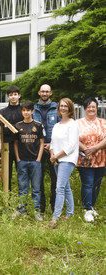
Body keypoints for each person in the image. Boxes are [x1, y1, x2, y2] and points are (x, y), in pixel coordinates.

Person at [49, 98, 79, 228]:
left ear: (70, 108)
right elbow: (52, 143)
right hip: (57, 159)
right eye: (61, 106)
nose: (63, 108)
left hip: (67, 159)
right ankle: (70, 214)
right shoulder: (57, 125)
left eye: (65, 106)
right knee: (66, 187)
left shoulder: (73, 125)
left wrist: (56, 156)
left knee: (59, 188)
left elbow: (71, 146)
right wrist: (52, 156)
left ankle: (55, 218)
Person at [13, 101, 45, 221]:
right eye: (24, 110)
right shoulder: (18, 126)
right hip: (22, 161)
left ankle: (37, 212)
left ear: (32, 111)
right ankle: (22, 210)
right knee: (23, 188)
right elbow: (15, 143)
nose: (26, 112)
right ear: (22, 111)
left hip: (35, 162)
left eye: (28, 110)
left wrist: (38, 159)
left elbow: (42, 142)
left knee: (36, 188)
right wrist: (17, 158)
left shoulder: (38, 125)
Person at [76, 97, 106, 222]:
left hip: (101, 159)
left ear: (97, 108)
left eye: (93, 106)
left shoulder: (103, 122)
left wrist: (94, 148)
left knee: (96, 184)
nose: (91, 109)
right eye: (89, 107)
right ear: (85, 108)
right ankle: (87, 209)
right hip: (84, 159)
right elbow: (74, 139)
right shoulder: (77, 123)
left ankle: (91, 206)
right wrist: (85, 150)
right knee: (87, 184)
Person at [33, 84, 60, 213]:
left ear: (50, 93)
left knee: (55, 178)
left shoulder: (57, 108)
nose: (44, 94)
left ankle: (54, 206)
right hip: (38, 148)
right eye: (42, 91)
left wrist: (51, 144)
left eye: (47, 92)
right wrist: (40, 144)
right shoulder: (34, 109)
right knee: (38, 178)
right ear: (39, 93)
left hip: (54, 148)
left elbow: (61, 128)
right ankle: (41, 207)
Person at [0, 85, 24, 191]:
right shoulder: (3, 112)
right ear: (8, 97)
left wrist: (11, 128)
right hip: (7, 146)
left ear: (19, 96)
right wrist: (16, 129)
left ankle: (21, 202)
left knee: (22, 175)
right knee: (6, 174)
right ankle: (6, 201)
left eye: (15, 95)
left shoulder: (24, 110)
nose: (13, 97)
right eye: (10, 95)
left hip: (22, 146)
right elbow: (1, 130)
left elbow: (25, 129)